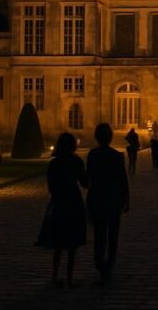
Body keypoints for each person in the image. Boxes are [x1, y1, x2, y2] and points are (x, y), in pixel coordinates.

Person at [41, 132, 87, 287]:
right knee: (72, 243)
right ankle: (69, 278)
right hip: (73, 201)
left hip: (59, 202)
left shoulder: (54, 164)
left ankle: (54, 276)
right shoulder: (76, 161)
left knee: (58, 242)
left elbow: (51, 187)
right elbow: (84, 183)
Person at [86, 123, 129, 283]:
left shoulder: (92, 155)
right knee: (113, 234)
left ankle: (100, 263)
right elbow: (123, 180)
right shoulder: (117, 156)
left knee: (99, 234)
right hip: (113, 199)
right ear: (110, 138)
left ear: (96, 137)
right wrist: (126, 199)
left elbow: (87, 180)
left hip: (97, 198)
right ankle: (109, 264)